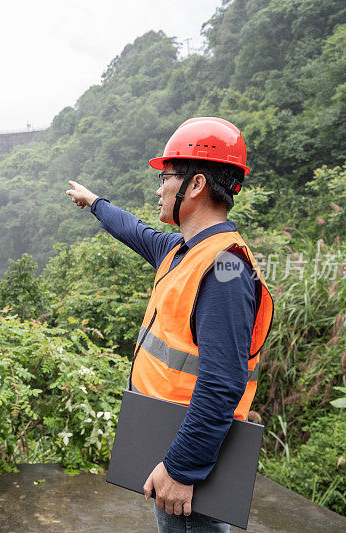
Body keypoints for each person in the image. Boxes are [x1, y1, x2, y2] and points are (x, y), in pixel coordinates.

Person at [65, 117, 274, 533]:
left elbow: (222, 383)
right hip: (172, 439)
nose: (159, 187)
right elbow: (132, 229)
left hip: (193, 461)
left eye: (166, 177)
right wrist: (94, 203)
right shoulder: (182, 249)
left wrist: (181, 469)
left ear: (195, 185)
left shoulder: (225, 269)